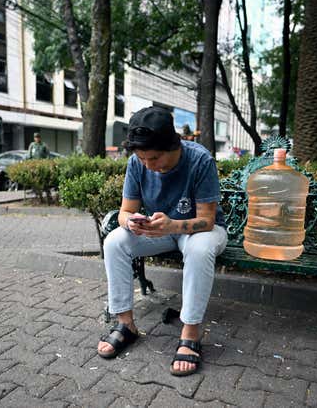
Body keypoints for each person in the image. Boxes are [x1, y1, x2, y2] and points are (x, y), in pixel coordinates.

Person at [97, 106, 228, 376]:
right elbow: (124, 211)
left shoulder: (200, 160)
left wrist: (173, 225)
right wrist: (130, 221)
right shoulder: (138, 163)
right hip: (162, 230)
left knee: (200, 248)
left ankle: (191, 333)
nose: (148, 166)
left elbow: (208, 220)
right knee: (114, 241)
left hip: (201, 231)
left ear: (173, 145)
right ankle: (126, 325)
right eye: (142, 158)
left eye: (154, 158)